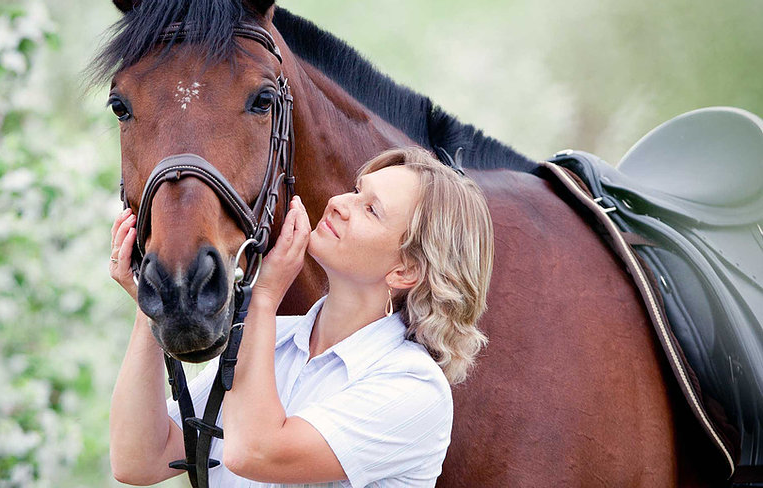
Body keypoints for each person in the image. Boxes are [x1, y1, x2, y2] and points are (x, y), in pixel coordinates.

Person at [108, 146, 494, 487]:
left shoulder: (415, 390)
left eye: (370, 209)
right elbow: (140, 460)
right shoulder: (274, 341)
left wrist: (264, 298)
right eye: (357, 190)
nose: (339, 203)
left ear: (405, 271)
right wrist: (154, 299)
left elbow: (254, 452)